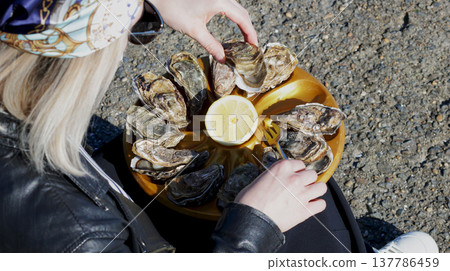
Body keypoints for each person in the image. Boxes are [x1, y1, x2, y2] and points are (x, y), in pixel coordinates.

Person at [0, 0, 438, 253]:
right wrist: (251, 230)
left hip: (110, 210)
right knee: (307, 216)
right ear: (63, 69)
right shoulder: (79, 238)